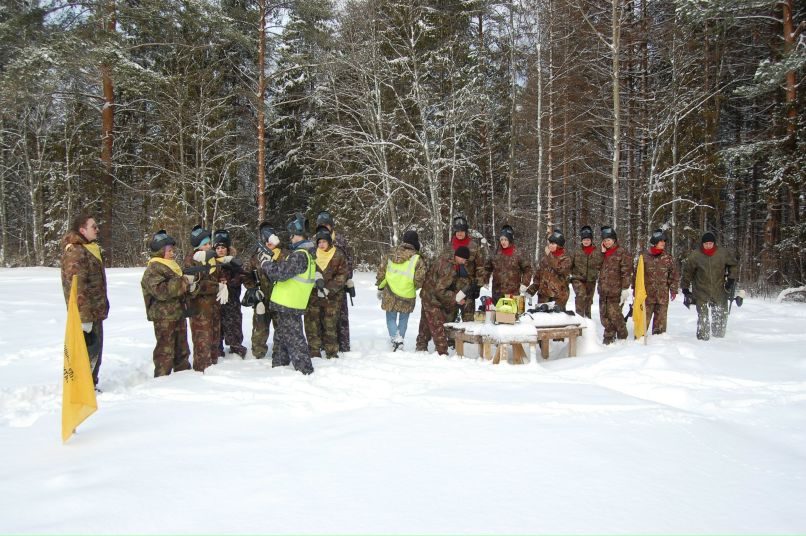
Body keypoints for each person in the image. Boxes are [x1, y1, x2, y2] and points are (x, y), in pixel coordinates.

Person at [259, 213, 317, 375]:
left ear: (296, 235)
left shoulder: (300, 255)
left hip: (290, 303)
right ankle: (279, 364)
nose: (290, 239)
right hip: (287, 302)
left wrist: (266, 263)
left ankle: (305, 369)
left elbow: (279, 274)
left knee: (294, 337)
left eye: (291, 236)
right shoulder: (304, 254)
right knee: (282, 336)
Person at [60, 213, 109, 389]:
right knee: (87, 352)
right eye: (93, 227)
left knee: (95, 352)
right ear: (82, 230)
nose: (97, 230)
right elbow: (77, 286)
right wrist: (84, 317)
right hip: (86, 314)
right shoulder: (76, 251)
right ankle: (83, 389)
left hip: (95, 310)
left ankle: (90, 385)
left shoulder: (89, 249)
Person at [140, 230, 192, 377]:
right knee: (165, 350)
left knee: (182, 349)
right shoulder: (153, 269)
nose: (172, 253)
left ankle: (185, 377)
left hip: (178, 313)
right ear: (160, 251)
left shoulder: (172, 266)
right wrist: (183, 282)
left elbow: (181, 289)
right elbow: (160, 291)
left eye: (172, 250)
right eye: (169, 250)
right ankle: (162, 379)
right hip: (164, 317)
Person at [680, 232, 738, 340]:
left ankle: (719, 340)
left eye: (710, 243)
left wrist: (730, 279)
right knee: (703, 317)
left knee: (720, 317)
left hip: (720, 290)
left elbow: (733, 265)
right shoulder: (695, 255)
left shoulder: (722, 253)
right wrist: (685, 288)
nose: (708, 246)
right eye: (706, 244)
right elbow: (687, 272)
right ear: (702, 244)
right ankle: (702, 340)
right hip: (701, 290)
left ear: (714, 243)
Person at [376, 230, 427, 351]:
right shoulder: (417, 258)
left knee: (391, 318)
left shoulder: (391, 254)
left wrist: (380, 286)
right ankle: (400, 340)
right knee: (404, 319)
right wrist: (414, 287)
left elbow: (381, 271)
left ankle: (396, 339)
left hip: (390, 292)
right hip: (408, 293)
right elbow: (420, 278)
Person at [184, 225, 225, 372]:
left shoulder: (212, 258)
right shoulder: (192, 260)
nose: (209, 246)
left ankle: (213, 365)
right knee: (202, 339)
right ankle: (201, 368)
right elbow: (196, 284)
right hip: (199, 308)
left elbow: (219, 273)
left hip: (214, 305)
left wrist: (223, 282)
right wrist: (217, 286)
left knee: (214, 335)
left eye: (209, 243)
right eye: (205, 244)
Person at [415, 246, 469, 356]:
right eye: (463, 259)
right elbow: (440, 290)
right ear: (458, 256)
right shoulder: (449, 268)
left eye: (466, 260)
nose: (464, 262)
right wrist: (456, 299)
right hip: (432, 298)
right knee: (437, 324)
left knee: (425, 323)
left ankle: (421, 347)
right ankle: (442, 352)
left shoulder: (446, 258)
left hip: (427, 294)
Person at [305, 227, 350, 359]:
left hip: (332, 297)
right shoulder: (312, 254)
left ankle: (331, 352)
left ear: (329, 242)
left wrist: (328, 289)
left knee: (330, 324)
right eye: (319, 242)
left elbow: (342, 275)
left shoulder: (338, 254)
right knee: (312, 324)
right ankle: (314, 351)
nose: (321, 245)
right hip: (314, 296)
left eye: (324, 241)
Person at [315, 211, 354, 352]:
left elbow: (348, 260)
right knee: (320, 316)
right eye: (321, 225)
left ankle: (343, 344)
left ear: (331, 225)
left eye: (326, 225)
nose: (324, 227)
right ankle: (322, 344)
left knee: (340, 315)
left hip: (338, 283)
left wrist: (348, 278)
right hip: (319, 284)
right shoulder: (317, 240)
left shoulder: (340, 240)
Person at [243, 222, 282, 360]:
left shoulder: (284, 255)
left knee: (281, 329)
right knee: (260, 327)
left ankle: (280, 352)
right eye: (265, 239)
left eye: (270, 238)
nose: (268, 242)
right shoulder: (256, 256)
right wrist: (253, 289)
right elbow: (246, 275)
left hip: (280, 299)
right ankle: (258, 353)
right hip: (262, 299)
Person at [445, 213, 488, 321]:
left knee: (468, 320)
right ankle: (451, 338)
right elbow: (443, 265)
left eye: (462, 231)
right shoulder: (449, 246)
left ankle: (467, 338)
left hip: (468, 286)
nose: (459, 234)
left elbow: (480, 267)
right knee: (449, 319)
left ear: (466, 231)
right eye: (457, 231)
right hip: (452, 287)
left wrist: (477, 286)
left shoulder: (473, 246)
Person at [213, 229, 247, 358]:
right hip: (217, 302)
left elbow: (242, 277)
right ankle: (218, 350)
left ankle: (236, 348)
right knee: (217, 327)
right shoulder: (211, 263)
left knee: (234, 326)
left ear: (228, 249)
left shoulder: (234, 262)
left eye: (223, 248)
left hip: (232, 301)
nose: (220, 250)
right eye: (218, 248)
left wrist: (229, 282)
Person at [638, 229, 680, 335]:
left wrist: (673, 290)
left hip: (662, 296)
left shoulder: (668, 258)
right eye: (660, 241)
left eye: (664, 241)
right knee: (642, 326)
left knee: (660, 330)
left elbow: (674, 274)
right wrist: (636, 291)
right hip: (647, 296)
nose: (663, 243)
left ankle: (658, 346)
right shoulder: (644, 257)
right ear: (655, 242)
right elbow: (637, 276)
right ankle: (638, 347)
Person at [597, 226, 633, 344]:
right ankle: (609, 335)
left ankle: (620, 334)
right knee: (604, 317)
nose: (607, 242)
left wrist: (625, 288)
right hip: (603, 291)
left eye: (609, 240)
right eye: (605, 240)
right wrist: (602, 254)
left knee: (615, 315)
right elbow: (596, 267)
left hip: (616, 291)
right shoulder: (603, 253)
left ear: (614, 240)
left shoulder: (622, 252)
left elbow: (626, 271)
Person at [484, 225, 532, 306]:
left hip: (513, 293)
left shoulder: (518, 253)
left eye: (505, 239)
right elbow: (487, 268)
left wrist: (524, 283)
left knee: (511, 317)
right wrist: (485, 280)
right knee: (498, 316)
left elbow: (528, 270)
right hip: (497, 293)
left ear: (510, 240)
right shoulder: (495, 253)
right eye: (501, 239)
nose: (503, 242)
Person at [526, 229, 572, 309]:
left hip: (558, 298)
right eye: (550, 243)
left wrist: (549, 256)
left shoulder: (566, 258)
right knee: (543, 320)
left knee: (556, 320)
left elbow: (560, 270)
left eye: (553, 243)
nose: (550, 245)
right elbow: (538, 277)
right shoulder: (545, 259)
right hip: (543, 297)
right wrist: (531, 290)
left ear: (559, 245)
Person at [570, 226, 603, 318]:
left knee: (588, 300)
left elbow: (601, 264)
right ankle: (580, 318)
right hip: (578, 279)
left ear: (591, 240)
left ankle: (588, 318)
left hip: (591, 280)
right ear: (581, 240)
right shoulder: (576, 251)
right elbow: (569, 264)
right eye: (584, 239)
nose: (586, 241)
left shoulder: (597, 251)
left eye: (588, 239)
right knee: (581, 296)